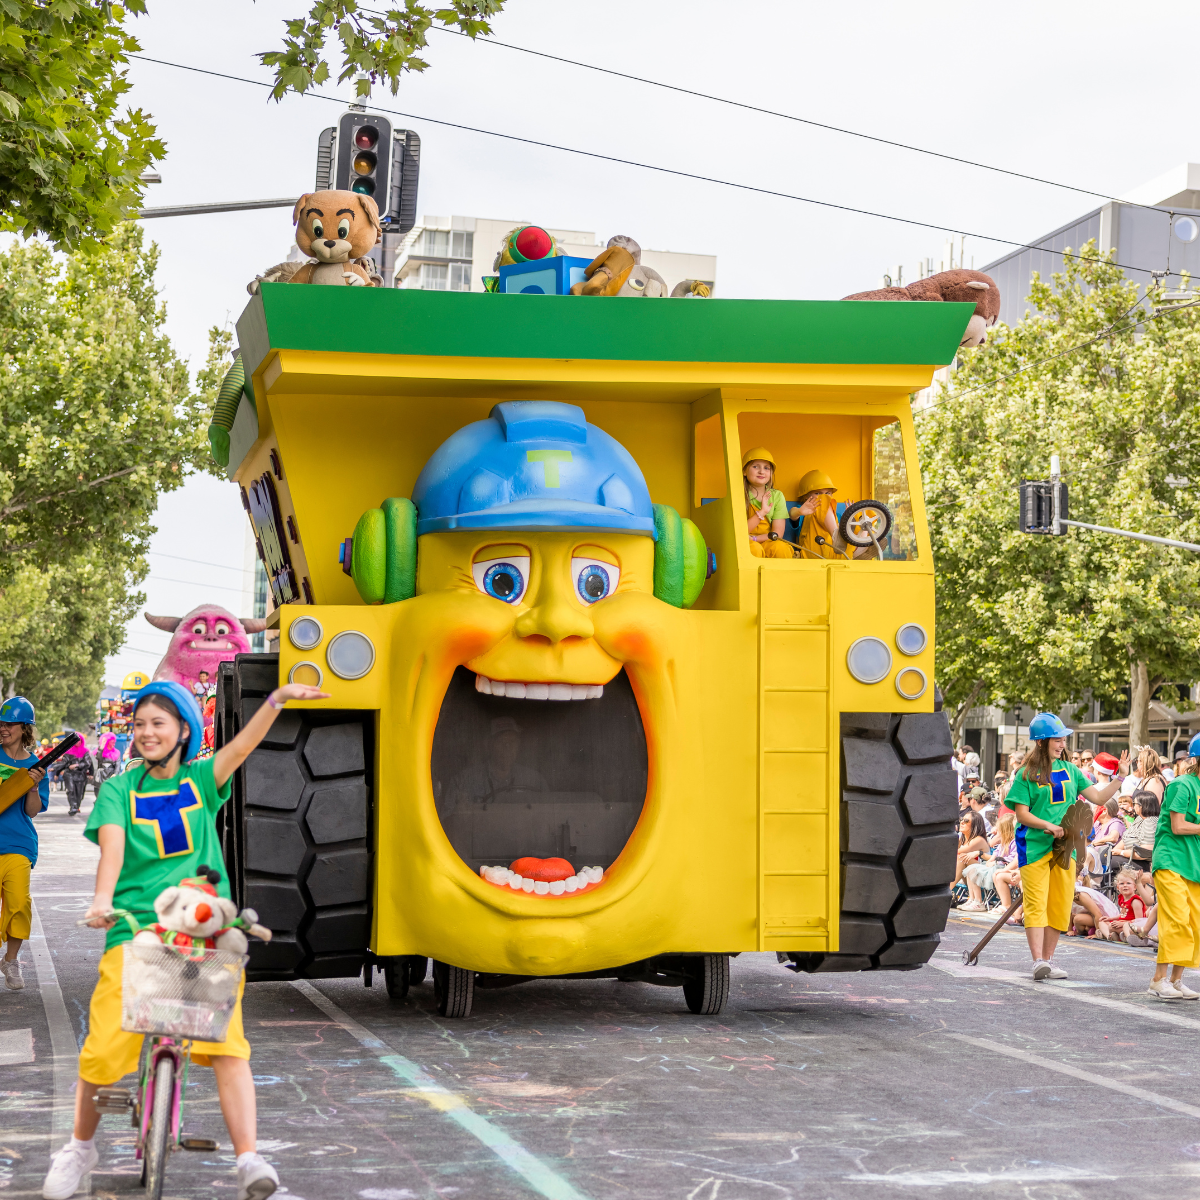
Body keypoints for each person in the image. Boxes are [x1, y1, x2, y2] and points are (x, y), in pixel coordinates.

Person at [41, 677, 328, 1200]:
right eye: (140, 725)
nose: (146, 733)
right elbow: (111, 852)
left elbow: (242, 746)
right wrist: (103, 902)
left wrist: (276, 701)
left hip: (201, 934)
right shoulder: (118, 789)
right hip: (134, 929)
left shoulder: (202, 780)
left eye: (158, 724)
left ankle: (248, 1158)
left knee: (227, 1050)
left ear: (183, 732)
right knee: (102, 1052)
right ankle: (81, 1148)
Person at [1007, 712, 1122, 981]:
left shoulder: (1072, 771)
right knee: (1036, 904)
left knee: (1059, 905)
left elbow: (1098, 796)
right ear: (1041, 742)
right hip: (1034, 846)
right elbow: (1022, 814)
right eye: (1056, 739)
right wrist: (1047, 825)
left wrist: (1119, 777)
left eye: (1063, 739)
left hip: (1066, 848)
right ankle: (1038, 961)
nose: (1062, 744)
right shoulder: (1026, 774)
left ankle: (1048, 960)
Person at [1146, 730, 1200, 1001]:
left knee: (1194, 923)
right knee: (1177, 920)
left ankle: (1177, 981)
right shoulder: (1182, 785)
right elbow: (1178, 826)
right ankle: (1158, 980)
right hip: (1171, 860)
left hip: (1193, 864)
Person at [0, 697, 49, 992]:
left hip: (18, 844)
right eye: (1, 724)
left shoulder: (35, 765)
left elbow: (32, 811)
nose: (3, 729)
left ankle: (10, 960)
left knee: (18, 903)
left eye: (9, 724)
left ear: (24, 728)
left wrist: (32, 784)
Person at [741, 448, 793, 559]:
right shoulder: (739, 494)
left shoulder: (777, 496)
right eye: (755, 467)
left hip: (767, 539)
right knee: (754, 549)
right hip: (744, 541)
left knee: (781, 548)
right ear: (745, 471)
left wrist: (755, 539)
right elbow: (741, 532)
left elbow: (777, 534)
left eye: (766, 468)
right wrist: (762, 512)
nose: (761, 471)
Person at [961, 812, 1017, 912]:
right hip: (995, 865)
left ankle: (979, 902)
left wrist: (994, 861)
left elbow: (1011, 859)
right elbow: (995, 854)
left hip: (1003, 867)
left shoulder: (1014, 842)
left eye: (1000, 830)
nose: (998, 832)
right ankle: (973, 899)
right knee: (971, 869)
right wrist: (992, 860)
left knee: (975, 870)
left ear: (1006, 831)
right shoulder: (1003, 843)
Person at [1111, 791, 1159, 875]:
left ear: (1142, 806)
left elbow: (1145, 853)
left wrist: (1120, 852)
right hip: (1129, 858)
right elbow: (1125, 838)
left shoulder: (1150, 822)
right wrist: (1114, 851)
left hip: (1143, 863)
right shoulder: (1139, 819)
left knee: (1109, 862)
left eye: (1134, 803)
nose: (1133, 806)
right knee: (1104, 857)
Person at [1085, 798, 1126, 880]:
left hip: (1103, 858)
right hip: (1093, 855)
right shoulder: (1097, 824)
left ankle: (1081, 878)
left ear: (1104, 811)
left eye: (1096, 807)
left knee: (1087, 855)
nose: (1094, 810)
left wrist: (1094, 843)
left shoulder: (1115, 822)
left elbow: (1113, 837)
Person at [952, 811, 990, 895]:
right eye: (961, 819)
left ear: (975, 825)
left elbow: (954, 852)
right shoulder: (962, 838)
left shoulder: (978, 840)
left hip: (986, 874)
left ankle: (947, 890)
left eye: (966, 821)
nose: (961, 822)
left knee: (961, 858)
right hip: (971, 875)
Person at [60, 740, 94, 817]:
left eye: (79, 741)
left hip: (81, 775)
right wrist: (57, 771)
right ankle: (73, 807)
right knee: (71, 791)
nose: (78, 743)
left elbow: (89, 763)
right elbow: (63, 763)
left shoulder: (85, 752)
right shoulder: (68, 752)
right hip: (69, 774)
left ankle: (76, 806)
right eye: (76, 741)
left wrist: (90, 772)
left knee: (79, 793)